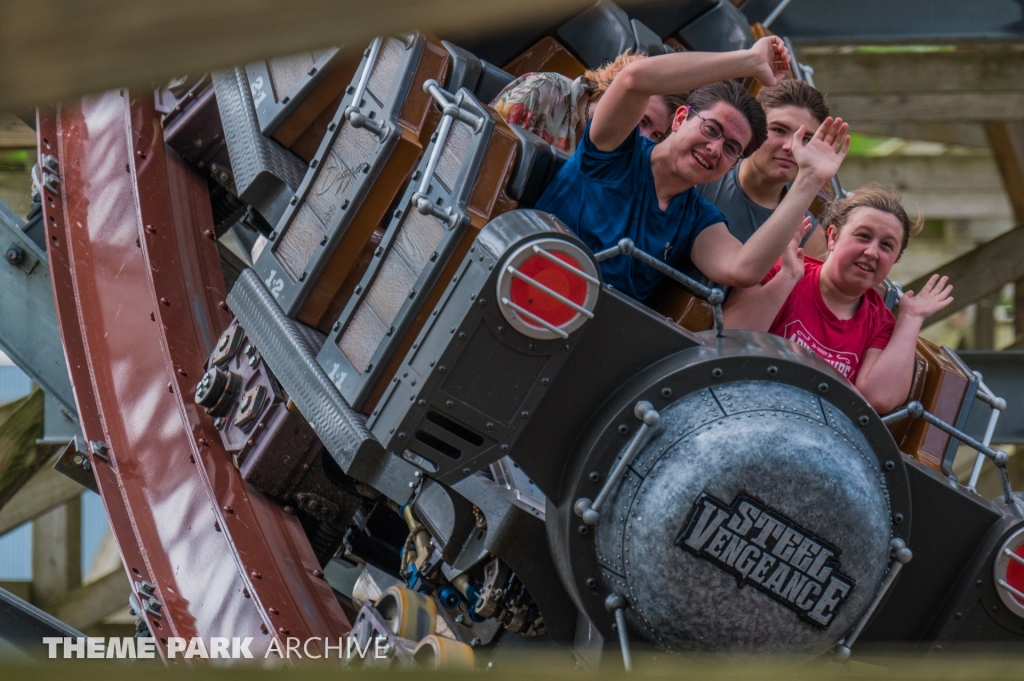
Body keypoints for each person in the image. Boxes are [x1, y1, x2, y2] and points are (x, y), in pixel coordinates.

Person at [534, 36, 850, 302]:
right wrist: (749, 61)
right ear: (681, 118)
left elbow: (742, 268)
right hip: (529, 279)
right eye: (711, 129)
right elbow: (634, 80)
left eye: (731, 149)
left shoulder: (699, 217)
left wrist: (810, 177)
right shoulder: (616, 148)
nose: (715, 149)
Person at [722, 185, 953, 413]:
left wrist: (912, 318)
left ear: (894, 260)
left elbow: (878, 399)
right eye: (863, 236)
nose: (872, 252)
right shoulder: (782, 270)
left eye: (886, 246)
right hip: (742, 405)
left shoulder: (880, 324)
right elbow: (728, 338)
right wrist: (788, 278)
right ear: (832, 237)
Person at [698, 79, 831, 255]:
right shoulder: (700, 180)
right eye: (779, 130)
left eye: (806, 139)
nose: (791, 147)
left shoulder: (809, 235)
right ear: (754, 129)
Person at [491, 52, 687, 153]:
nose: (644, 138)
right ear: (616, 90)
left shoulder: (626, 157)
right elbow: (487, 151)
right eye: (642, 121)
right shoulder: (545, 91)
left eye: (656, 135)